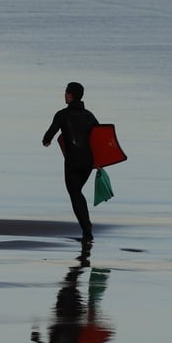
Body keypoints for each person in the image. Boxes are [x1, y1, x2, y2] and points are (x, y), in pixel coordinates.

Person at [42, 82, 99, 242]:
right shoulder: (90, 116)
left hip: (73, 162)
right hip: (88, 162)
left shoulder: (62, 114)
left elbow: (48, 136)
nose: (65, 95)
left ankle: (87, 230)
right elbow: (100, 137)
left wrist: (46, 142)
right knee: (77, 191)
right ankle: (87, 228)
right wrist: (100, 161)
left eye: (66, 92)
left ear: (71, 95)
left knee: (74, 193)